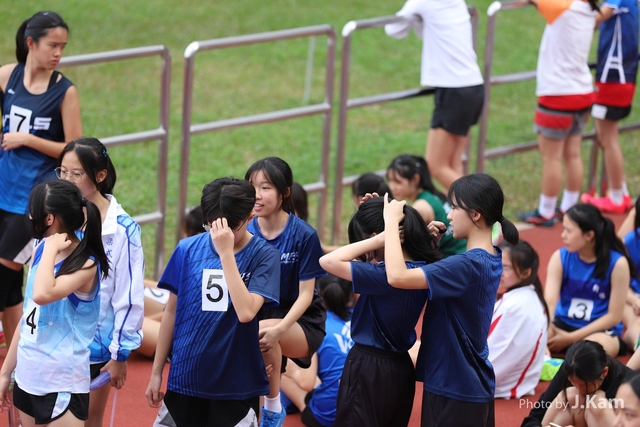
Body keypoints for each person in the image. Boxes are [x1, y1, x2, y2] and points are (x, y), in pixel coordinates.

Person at [382, 173, 520, 427]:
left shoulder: (466, 265)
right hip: (467, 384)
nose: (449, 215)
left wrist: (390, 223)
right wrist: (429, 247)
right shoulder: (490, 256)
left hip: (454, 386)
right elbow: (447, 276)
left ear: (475, 214)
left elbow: (397, 276)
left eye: (455, 208)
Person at [145, 177, 281, 427]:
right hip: (185, 379)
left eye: (228, 228)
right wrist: (156, 373)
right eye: (212, 225)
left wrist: (226, 253)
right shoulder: (187, 249)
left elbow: (246, 312)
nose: (219, 234)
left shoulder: (264, 256)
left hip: (235, 387)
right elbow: (171, 313)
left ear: (250, 217)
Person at [0, 11, 82, 351]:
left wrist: (28, 139)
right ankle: (16, 358)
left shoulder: (64, 91)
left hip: (33, 203)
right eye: (53, 45)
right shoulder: (7, 76)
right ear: (31, 43)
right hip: (3, 191)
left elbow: (74, 148)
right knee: (9, 286)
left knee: (3, 273)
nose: (58, 53)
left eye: (63, 46)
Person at [320, 196, 440, 427]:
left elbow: (328, 261)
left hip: (368, 367)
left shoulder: (382, 276)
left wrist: (383, 237)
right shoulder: (423, 270)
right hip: (401, 368)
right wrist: (383, 217)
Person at [0, 179, 108, 426]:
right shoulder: (40, 249)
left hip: (62, 383)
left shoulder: (86, 263)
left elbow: (43, 294)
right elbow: (30, 314)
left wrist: (50, 248)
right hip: (28, 377)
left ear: (49, 219)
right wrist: (6, 372)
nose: (29, 216)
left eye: (33, 211)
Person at [56, 137, 145, 427]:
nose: (67, 180)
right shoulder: (54, 217)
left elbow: (128, 296)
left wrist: (120, 354)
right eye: (62, 171)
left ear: (101, 175)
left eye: (76, 173)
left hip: (95, 349)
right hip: (52, 343)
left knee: (89, 420)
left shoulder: (122, 230)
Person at [244, 157, 327, 427]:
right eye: (252, 187)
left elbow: (306, 295)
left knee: (262, 331)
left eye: (265, 187)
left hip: (301, 321)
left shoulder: (304, 235)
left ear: (285, 192)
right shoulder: (244, 231)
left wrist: (280, 329)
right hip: (259, 315)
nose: (257, 195)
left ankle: (273, 407)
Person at [385, 0, 484, 191]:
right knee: (453, 164)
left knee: (436, 166)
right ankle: (463, 209)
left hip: (453, 90)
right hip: (473, 87)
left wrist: (416, 17)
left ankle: (480, 207)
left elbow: (393, 29)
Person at [518, 0, 599, 226]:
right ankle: (570, 207)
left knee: (551, 158)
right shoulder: (590, 7)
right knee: (573, 154)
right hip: (582, 92)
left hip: (557, 95)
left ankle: (545, 212)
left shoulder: (561, 6)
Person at [545, 203, 633, 357]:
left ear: (589, 235)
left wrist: (571, 338)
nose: (563, 235)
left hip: (600, 331)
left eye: (568, 230)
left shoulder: (618, 264)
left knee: (590, 355)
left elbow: (614, 316)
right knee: (528, 339)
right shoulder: (559, 258)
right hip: (562, 324)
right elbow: (549, 302)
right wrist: (541, 336)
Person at [581, 0, 638, 214]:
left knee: (607, 138)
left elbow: (595, 18)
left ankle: (616, 197)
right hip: (621, 76)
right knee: (608, 137)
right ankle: (620, 192)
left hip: (613, 78)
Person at [280, 274, 354, 427]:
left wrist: (291, 371)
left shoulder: (319, 326)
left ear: (318, 293)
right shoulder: (362, 320)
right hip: (363, 413)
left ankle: (275, 410)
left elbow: (306, 383)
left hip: (327, 419)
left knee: (279, 362)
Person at [488, 240, 549, 399]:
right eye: (496, 262)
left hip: (497, 387)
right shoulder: (529, 295)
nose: (498, 270)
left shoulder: (514, 307)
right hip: (507, 382)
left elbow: (488, 363)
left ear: (526, 273)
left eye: (506, 268)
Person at [530, 341, 625, 427]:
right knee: (570, 396)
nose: (580, 391)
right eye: (573, 383)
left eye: (585, 385)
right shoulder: (570, 369)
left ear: (605, 372)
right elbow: (536, 415)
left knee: (597, 402)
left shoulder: (624, 383)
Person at [387, 154, 466, 257]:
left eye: (398, 182)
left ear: (415, 179)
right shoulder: (432, 195)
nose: (392, 187)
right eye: (390, 181)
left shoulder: (420, 207)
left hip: (454, 258)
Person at [621, 196, 640, 349]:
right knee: (636, 319)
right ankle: (636, 340)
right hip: (633, 297)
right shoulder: (630, 241)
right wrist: (635, 300)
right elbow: (618, 284)